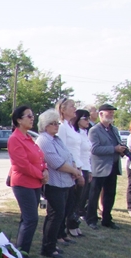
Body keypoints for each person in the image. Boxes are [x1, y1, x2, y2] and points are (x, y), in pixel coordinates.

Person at [36, 110, 80, 258]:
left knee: (60, 214)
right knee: (55, 215)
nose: (56, 126)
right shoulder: (44, 140)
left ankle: (53, 243)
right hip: (54, 184)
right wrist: (74, 170)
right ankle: (48, 248)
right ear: (45, 125)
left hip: (65, 182)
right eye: (52, 123)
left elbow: (69, 155)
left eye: (57, 123)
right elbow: (56, 162)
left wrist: (74, 167)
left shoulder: (56, 139)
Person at [7, 105, 48, 258]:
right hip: (23, 184)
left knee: (27, 219)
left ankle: (21, 252)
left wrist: (45, 170)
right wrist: (40, 175)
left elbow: (40, 156)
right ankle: (21, 255)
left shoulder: (28, 137)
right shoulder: (15, 139)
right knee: (31, 219)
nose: (32, 119)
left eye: (33, 116)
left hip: (35, 183)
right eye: (28, 116)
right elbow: (22, 164)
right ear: (19, 120)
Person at [85, 104, 128, 230]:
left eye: (112, 113)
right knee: (94, 194)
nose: (111, 115)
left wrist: (122, 150)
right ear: (101, 114)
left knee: (110, 194)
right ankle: (91, 219)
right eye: (108, 113)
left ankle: (107, 219)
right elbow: (94, 149)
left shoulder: (114, 129)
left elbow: (118, 143)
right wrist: (114, 149)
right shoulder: (94, 130)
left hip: (112, 166)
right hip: (99, 167)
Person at [56, 98, 85, 239]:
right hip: (68, 169)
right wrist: (73, 169)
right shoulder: (61, 127)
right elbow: (63, 150)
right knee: (65, 204)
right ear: (63, 109)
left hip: (76, 166)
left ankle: (65, 230)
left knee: (72, 202)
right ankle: (60, 233)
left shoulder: (70, 126)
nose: (75, 109)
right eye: (72, 106)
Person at [72, 109, 92, 218]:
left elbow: (87, 154)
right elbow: (76, 153)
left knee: (82, 197)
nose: (88, 121)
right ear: (78, 119)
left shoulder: (85, 133)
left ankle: (76, 218)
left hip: (86, 168)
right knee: (76, 198)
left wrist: (90, 171)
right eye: (85, 119)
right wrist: (79, 172)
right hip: (78, 168)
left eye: (89, 118)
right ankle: (72, 220)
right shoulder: (75, 133)